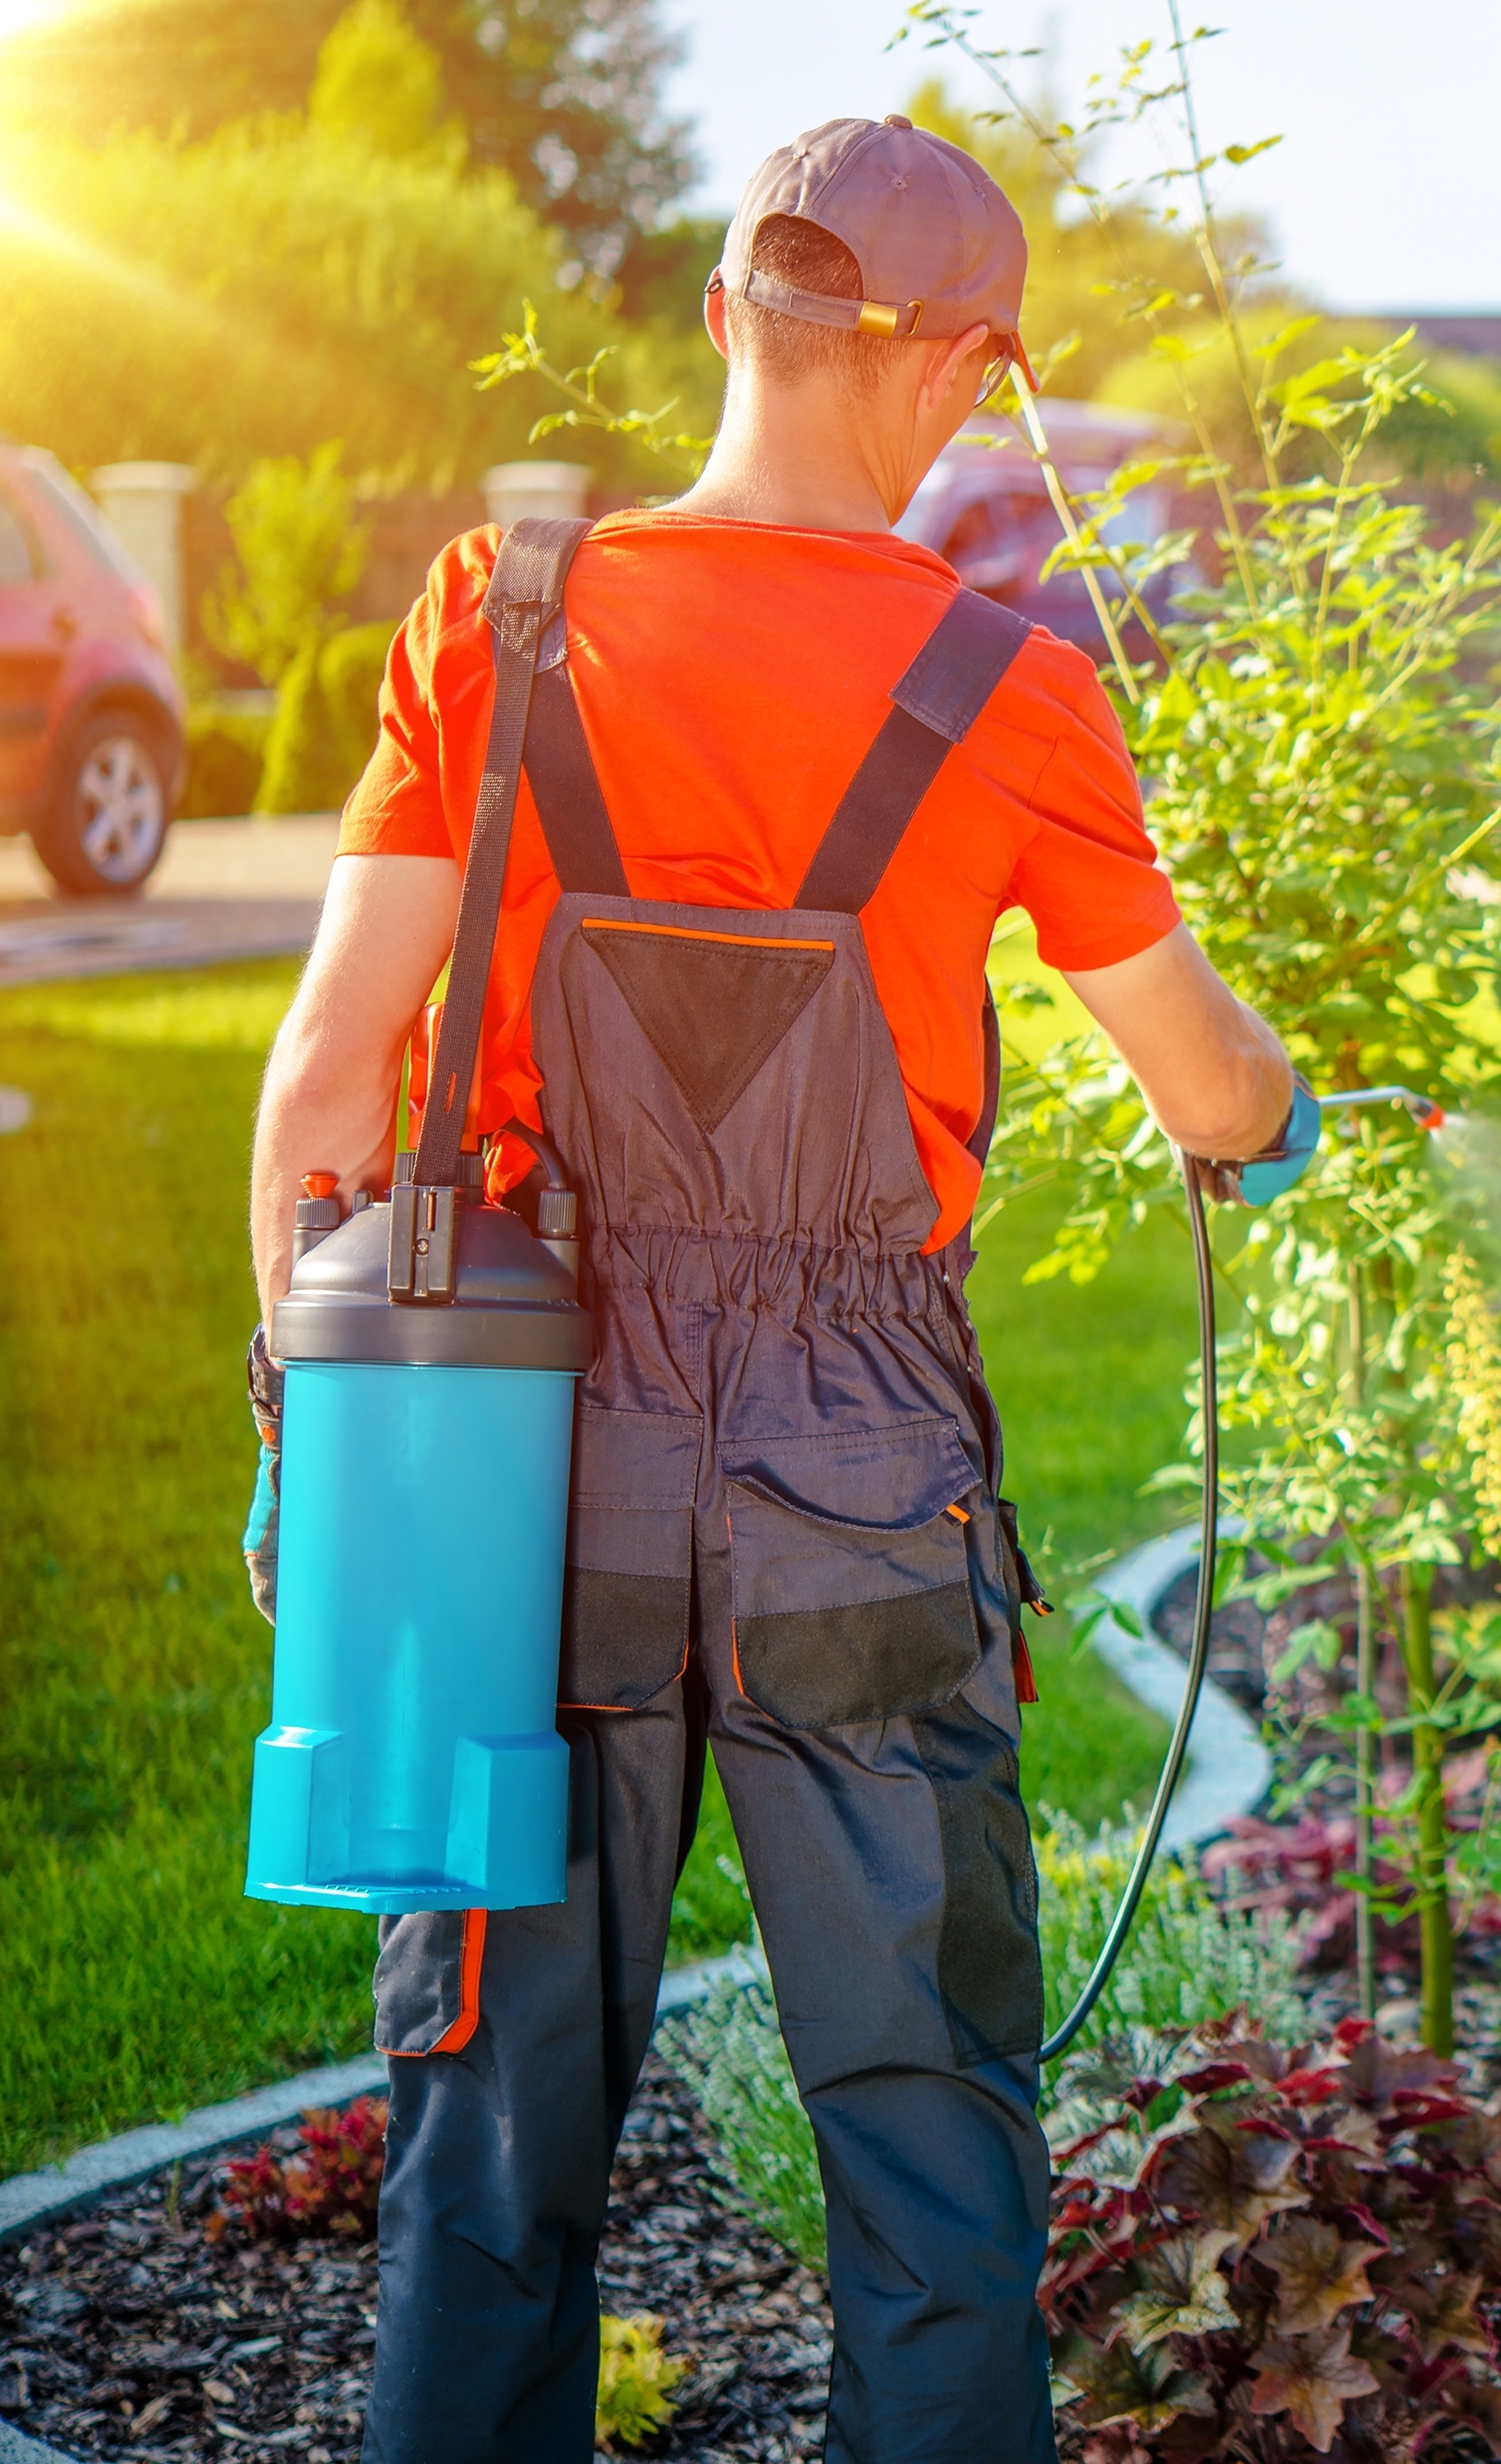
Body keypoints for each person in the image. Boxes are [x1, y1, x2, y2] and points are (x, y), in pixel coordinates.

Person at [239, 116, 1305, 2461]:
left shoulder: (493, 619)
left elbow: (324, 1076)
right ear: (967, 375)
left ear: (726, 316)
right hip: (861, 1482)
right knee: (933, 2167)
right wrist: (1276, 1105)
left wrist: (315, 1443)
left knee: (489, 2159)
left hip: (527, 1476)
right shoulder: (1012, 687)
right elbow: (1205, 1086)